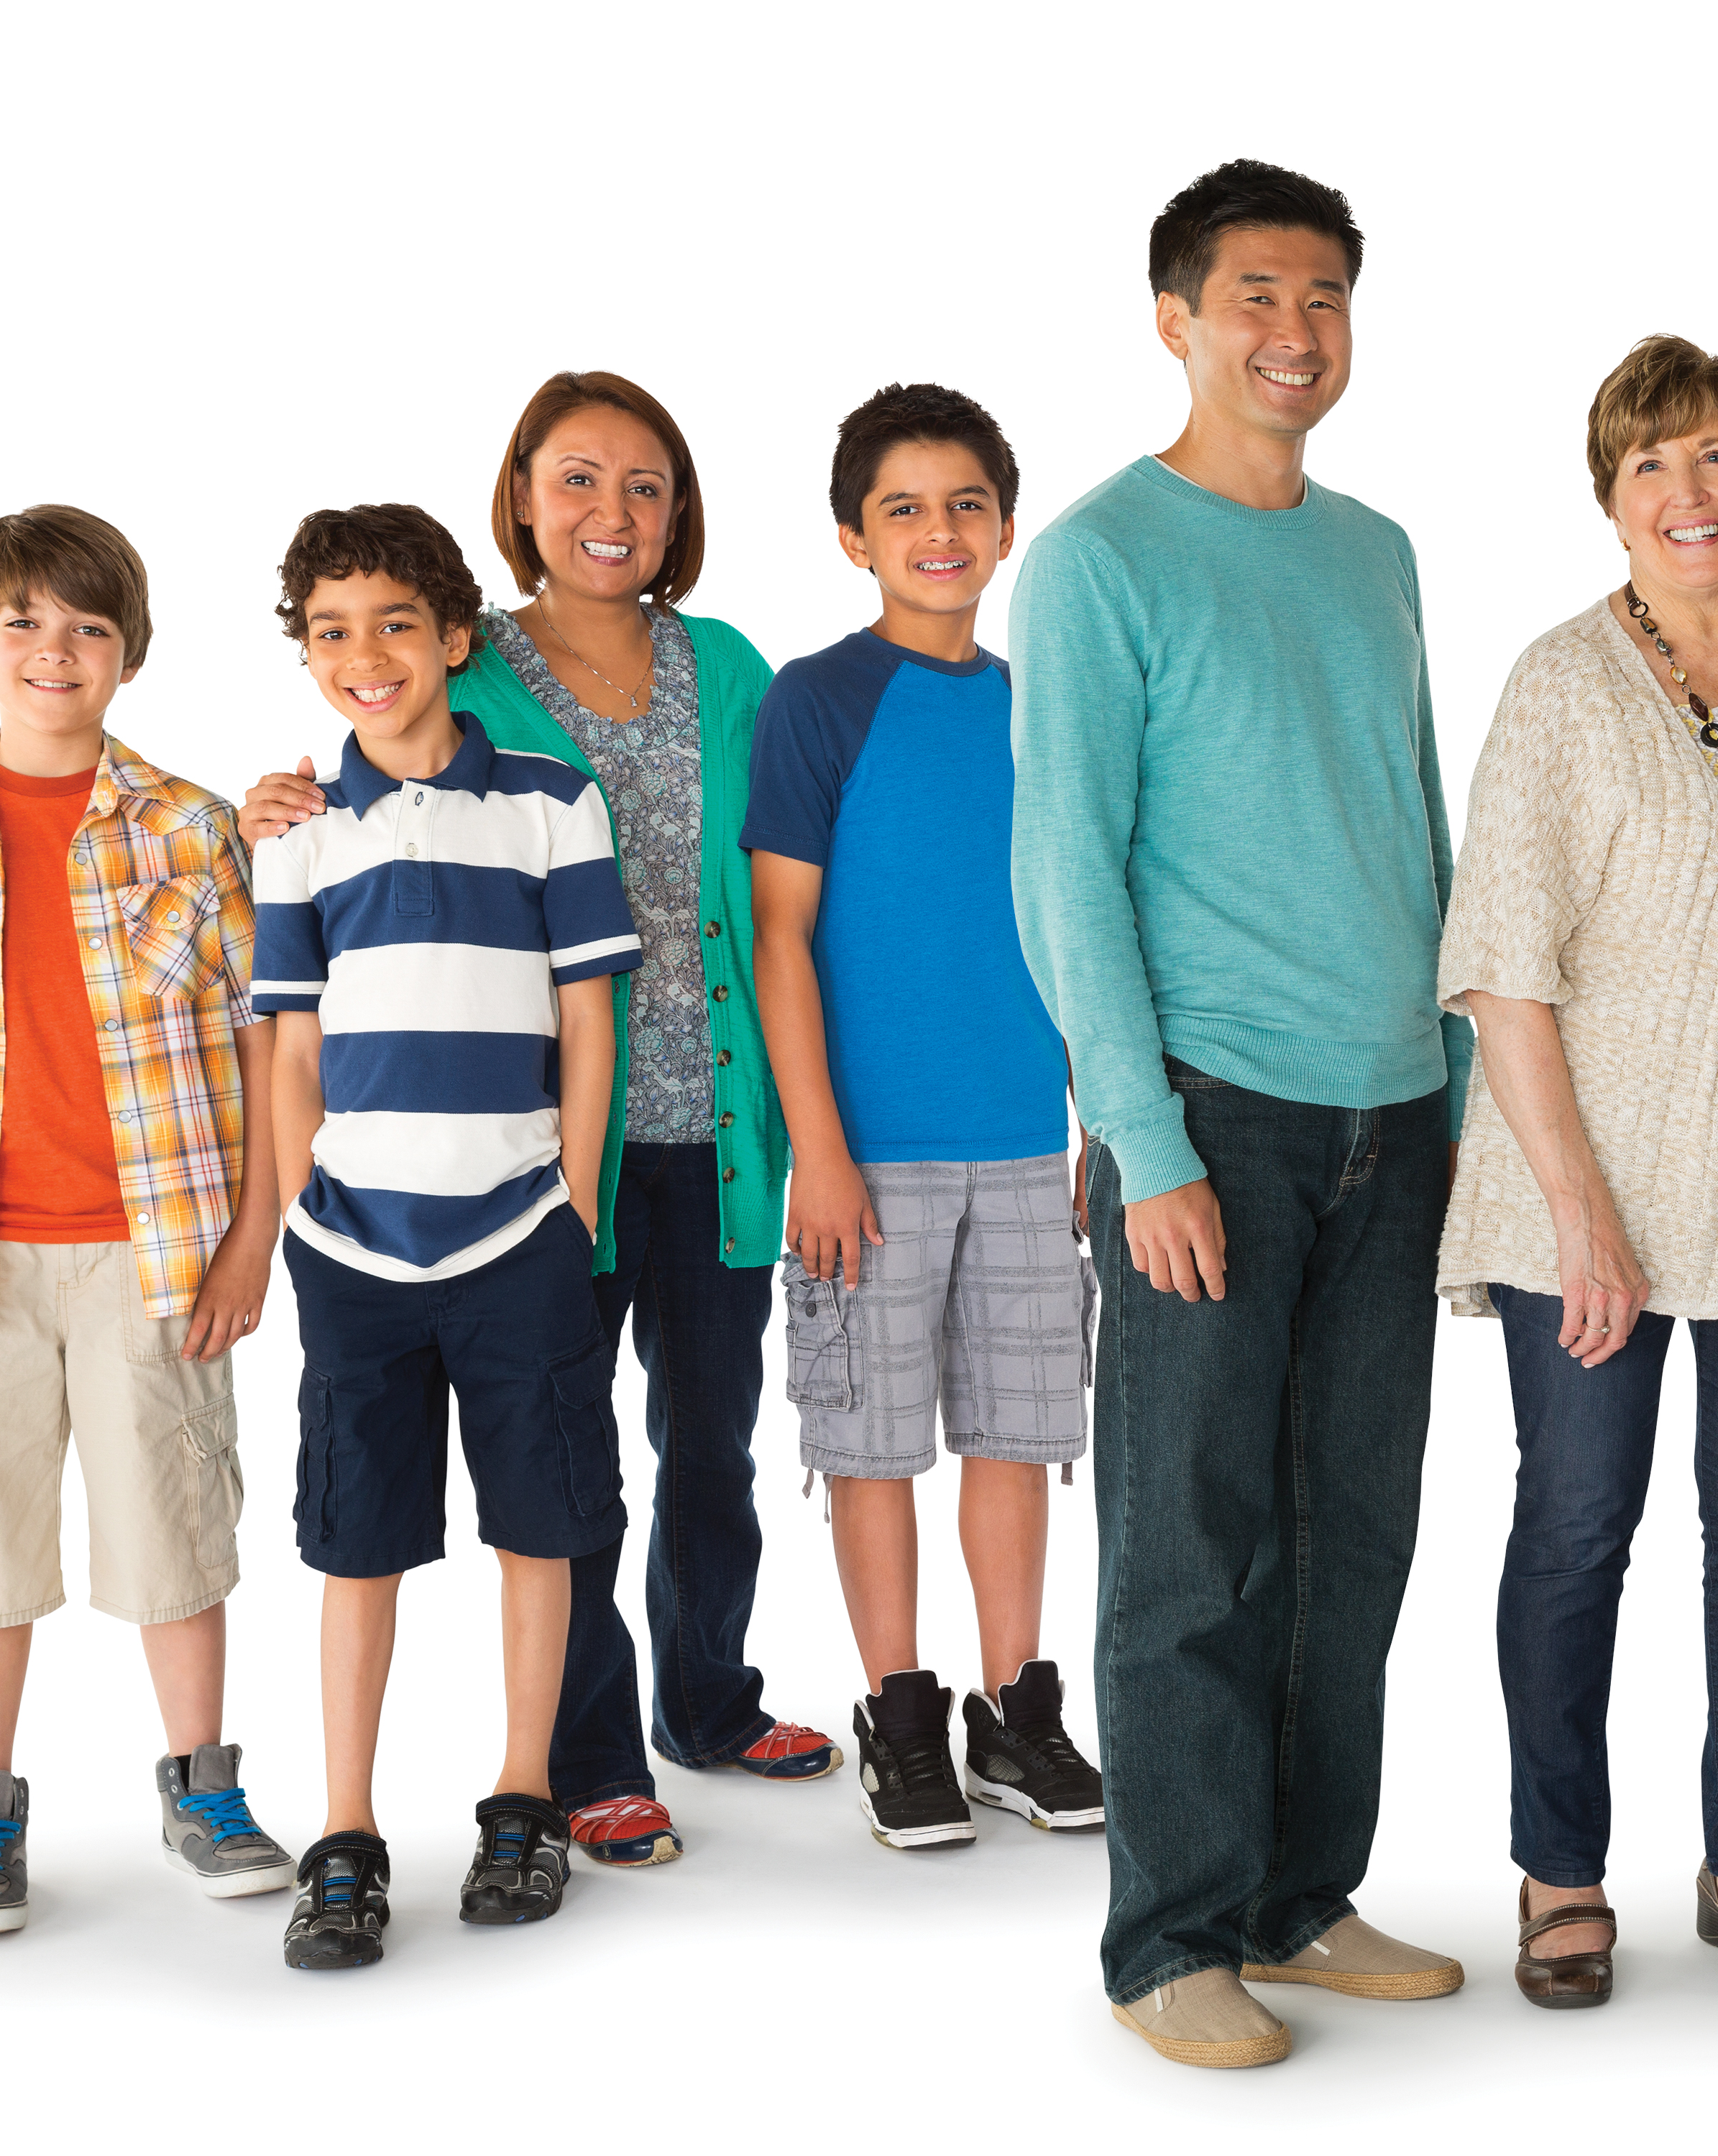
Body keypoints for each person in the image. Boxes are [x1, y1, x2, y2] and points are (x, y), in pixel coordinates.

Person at [1014, 156, 1471, 2070]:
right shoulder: (1103, 556)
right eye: (1257, 299)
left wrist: (1457, 1096)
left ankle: (1297, 1894)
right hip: (1213, 1113)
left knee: (1351, 1532)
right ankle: (1170, 1934)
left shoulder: (1373, 550)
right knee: (1192, 1544)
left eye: (1324, 301)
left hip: (1393, 1113)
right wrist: (1147, 1139)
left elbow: (1414, 827)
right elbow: (1063, 865)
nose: (1294, 336)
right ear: (1175, 318)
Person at [244, 372, 825, 1871]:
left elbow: (790, 890)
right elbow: (360, 787)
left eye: (644, 484)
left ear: (679, 510)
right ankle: (590, 1758)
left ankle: (710, 1698)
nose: (610, 512)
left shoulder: (732, 665)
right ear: (519, 500)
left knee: (713, 1447)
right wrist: (247, 810)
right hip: (532, 1154)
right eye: (577, 480)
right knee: (570, 1475)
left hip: (723, 1125)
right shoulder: (454, 652)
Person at [1438, 336, 1718, 2007]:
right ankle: (1561, 1872)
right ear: (1611, 500)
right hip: (1590, 1198)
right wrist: (1581, 1218)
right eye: (1650, 469)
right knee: (1577, 1526)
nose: (1687, 495)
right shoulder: (1561, 683)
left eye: (1716, 463)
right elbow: (1501, 965)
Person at [0, 507, 287, 1938]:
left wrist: (252, 1234)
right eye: (23, 621)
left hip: (157, 1248)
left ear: (128, 656)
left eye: (88, 626)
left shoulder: (193, 828)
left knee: (173, 1531)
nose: (54, 649)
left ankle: (202, 1787)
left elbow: (271, 1043)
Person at [247, 504, 638, 1968]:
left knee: (541, 1530)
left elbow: (587, 1014)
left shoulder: (547, 797)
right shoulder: (298, 830)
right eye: (333, 632)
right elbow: (290, 1048)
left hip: (518, 1232)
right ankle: (345, 1833)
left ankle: (524, 1801)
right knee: (360, 1542)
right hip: (354, 1251)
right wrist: (303, 1213)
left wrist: (575, 1206)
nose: (367, 656)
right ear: (308, 655)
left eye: (397, 624)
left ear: (455, 639)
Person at [743, 383, 1104, 1853]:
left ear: (1006, 528)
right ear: (854, 538)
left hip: (1026, 1135)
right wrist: (816, 1149)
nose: (939, 531)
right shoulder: (819, 699)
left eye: (965, 504)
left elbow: (1080, 921)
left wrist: (1099, 1115)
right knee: (876, 1441)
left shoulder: (1039, 705)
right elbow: (779, 937)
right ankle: (901, 1710)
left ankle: (1014, 1712)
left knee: (1016, 1435)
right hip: (870, 1151)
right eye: (904, 508)